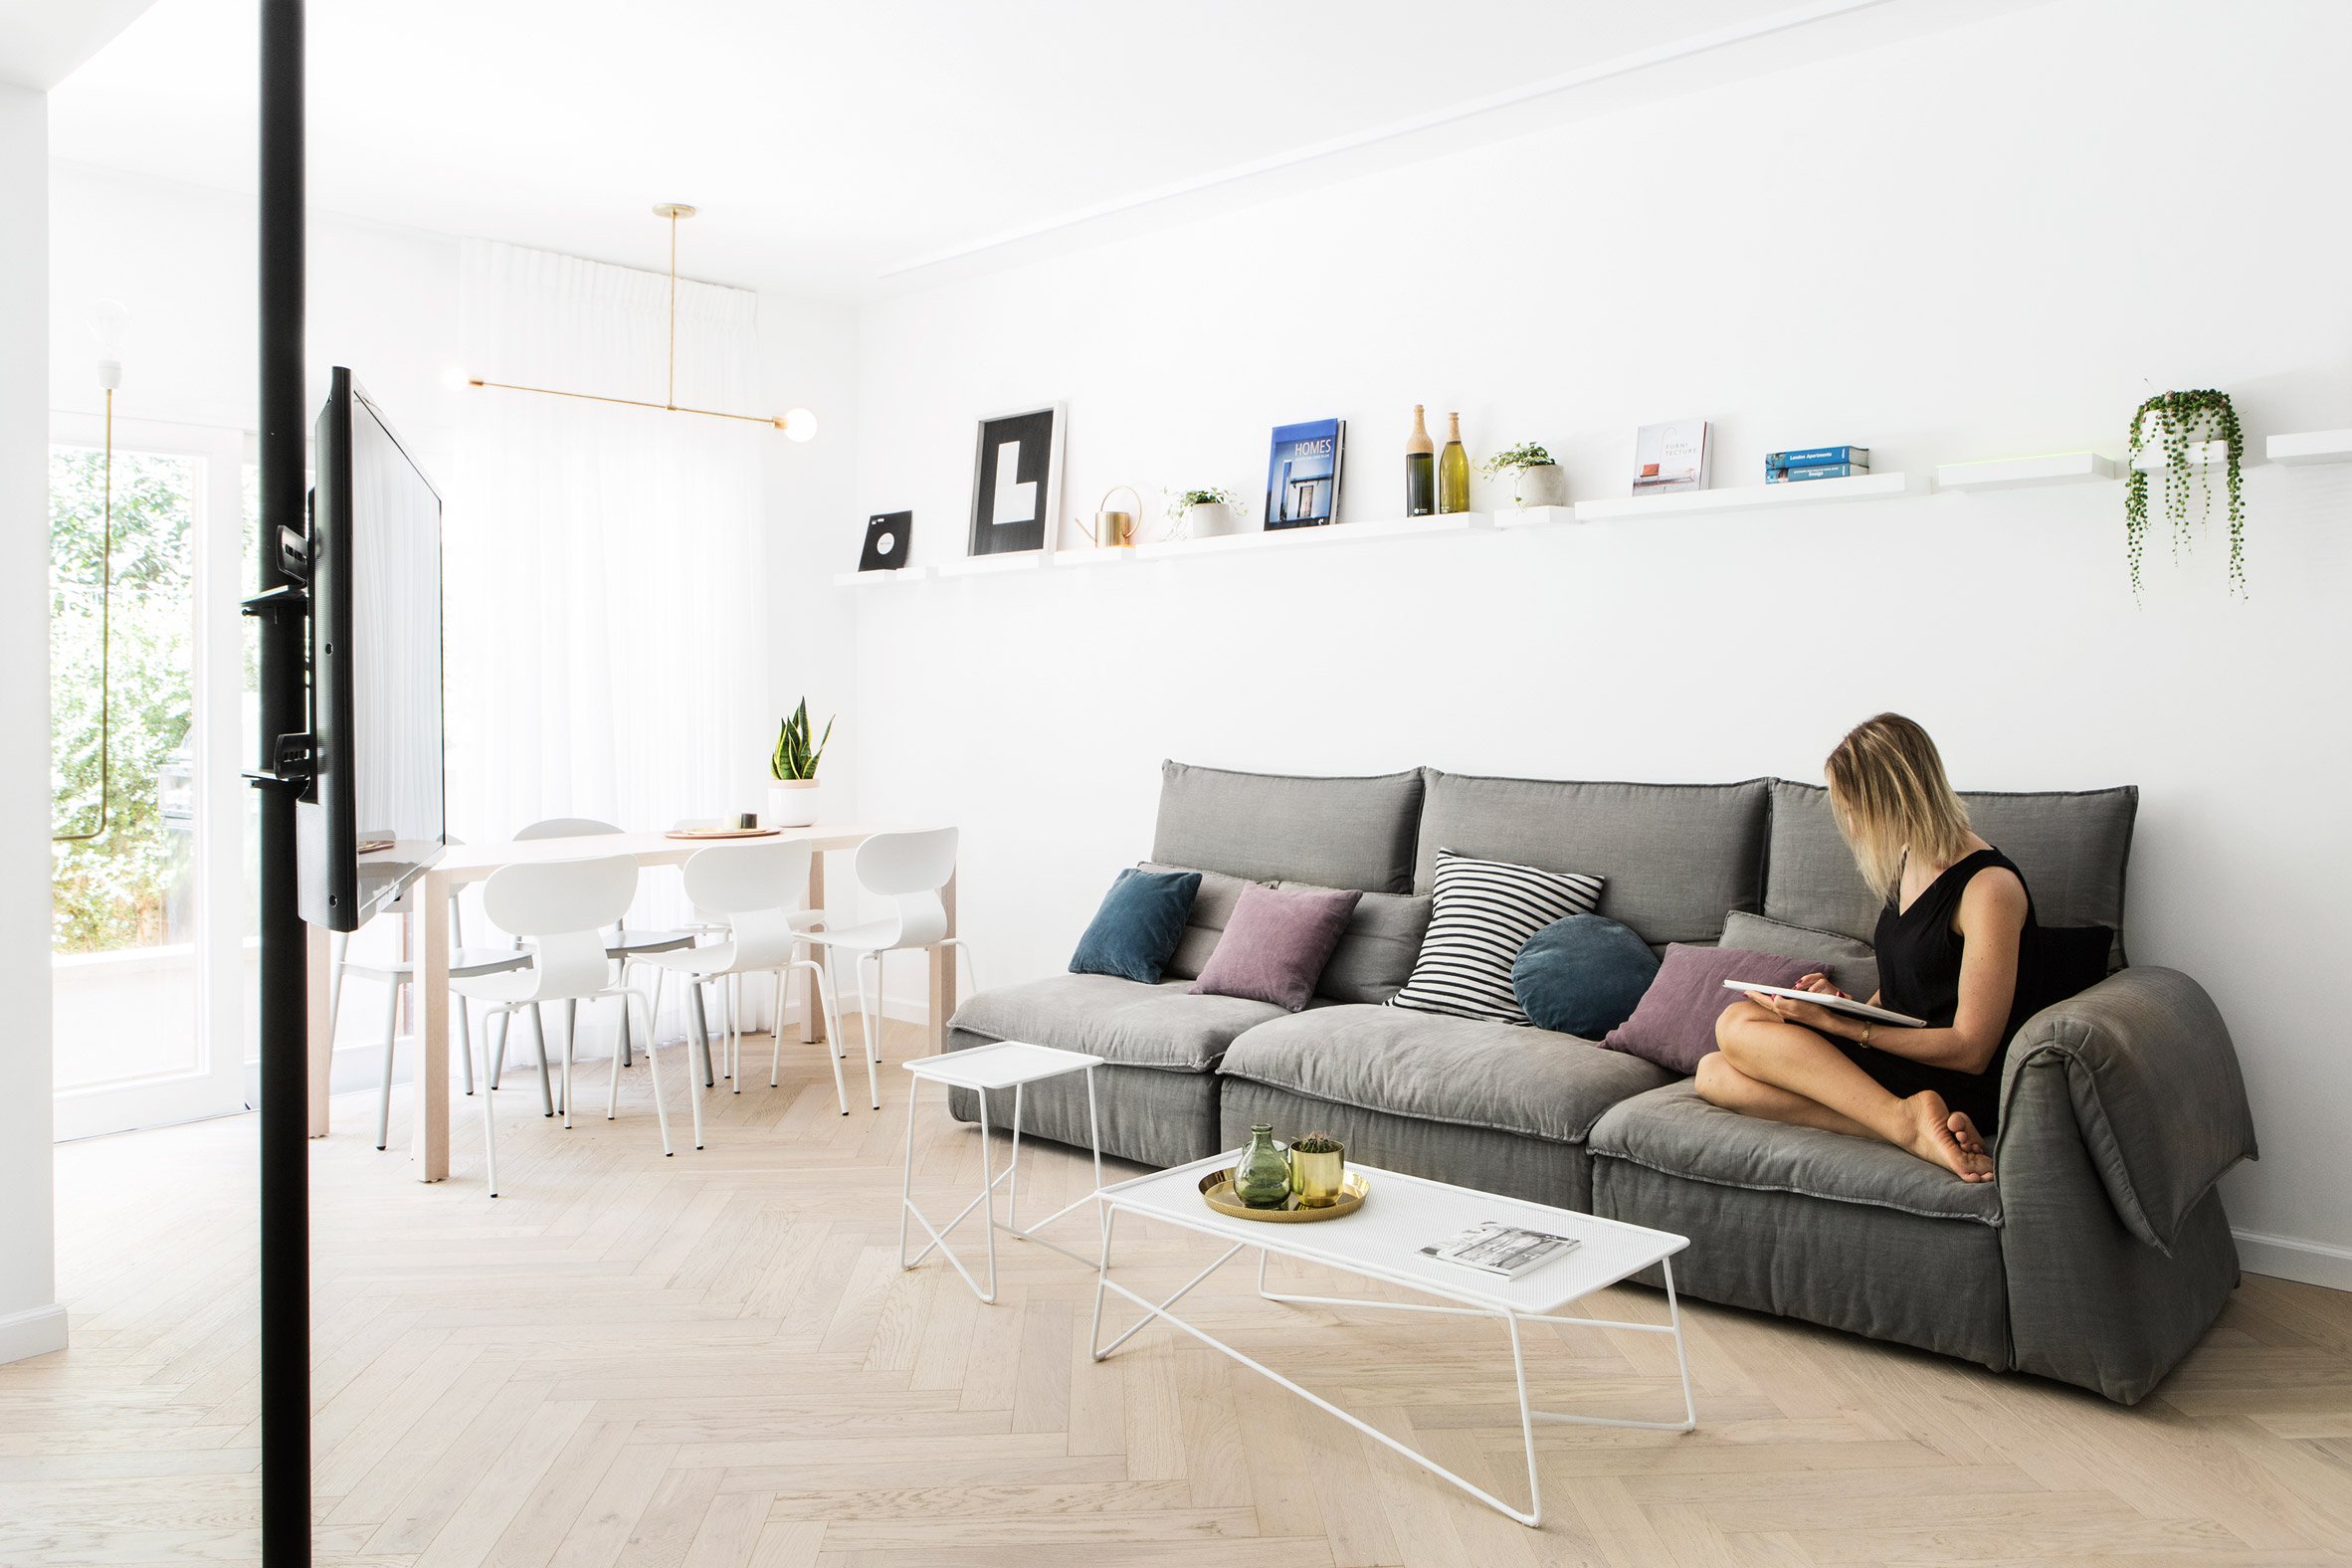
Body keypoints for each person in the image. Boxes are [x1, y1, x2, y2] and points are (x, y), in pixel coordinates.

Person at [1697, 712, 2040, 1182]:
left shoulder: (1988, 888)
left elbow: (1970, 1048)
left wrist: (1844, 1028)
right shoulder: (1909, 858)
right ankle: (1903, 1124)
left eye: (1851, 808)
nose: (1851, 825)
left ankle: (1909, 1119)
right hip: (1900, 1059)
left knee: (1736, 1021)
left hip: (1952, 1074)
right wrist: (1849, 1008)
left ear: (1889, 800)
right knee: (1712, 1073)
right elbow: (1911, 985)